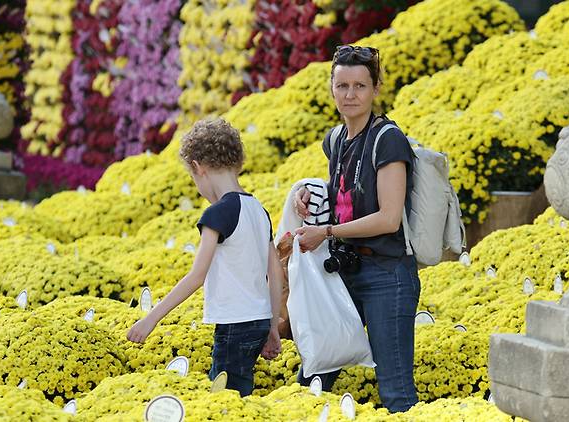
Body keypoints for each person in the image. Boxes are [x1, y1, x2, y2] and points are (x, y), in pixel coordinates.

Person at [293, 45, 421, 412]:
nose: (350, 95)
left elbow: (389, 218)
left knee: (396, 391)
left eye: (360, 86)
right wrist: (309, 193)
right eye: (342, 86)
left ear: (376, 88)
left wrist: (328, 232)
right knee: (314, 376)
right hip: (346, 272)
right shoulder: (335, 140)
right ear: (331, 88)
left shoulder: (388, 140)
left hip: (387, 274)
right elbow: (347, 193)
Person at [127, 117, 283, 397]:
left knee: (225, 401)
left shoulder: (217, 214)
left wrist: (151, 319)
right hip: (258, 321)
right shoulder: (258, 209)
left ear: (199, 168)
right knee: (241, 394)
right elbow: (276, 272)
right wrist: (272, 325)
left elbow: (196, 276)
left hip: (234, 325)